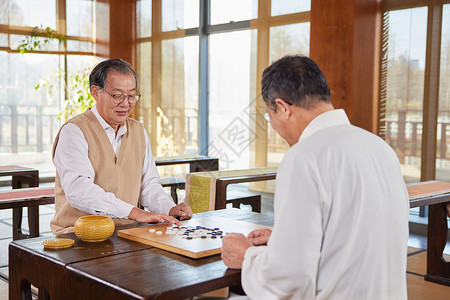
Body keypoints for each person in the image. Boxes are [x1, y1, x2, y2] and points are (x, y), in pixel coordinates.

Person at [221, 55, 409, 299]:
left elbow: (288, 282)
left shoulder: (303, 157)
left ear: (283, 107)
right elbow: (355, 235)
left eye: (270, 116)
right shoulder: (380, 147)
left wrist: (247, 255)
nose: (275, 128)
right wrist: (284, 240)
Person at [50, 59, 192, 234]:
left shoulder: (138, 130)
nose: (126, 103)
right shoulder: (74, 131)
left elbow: (147, 185)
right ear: (95, 92)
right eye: (117, 95)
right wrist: (134, 213)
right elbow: (79, 190)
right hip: (78, 234)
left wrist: (169, 208)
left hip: (128, 232)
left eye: (132, 96)